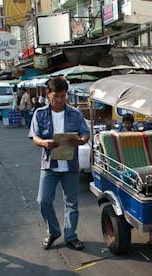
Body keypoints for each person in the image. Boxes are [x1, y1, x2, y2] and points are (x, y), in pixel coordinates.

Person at [29, 77, 90, 251]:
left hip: (70, 165)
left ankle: (71, 236)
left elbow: (85, 134)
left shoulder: (75, 113)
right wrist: (44, 143)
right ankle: (53, 231)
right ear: (48, 95)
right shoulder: (40, 114)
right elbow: (35, 137)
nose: (60, 100)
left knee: (72, 203)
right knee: (43, 201)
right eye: (56, 96)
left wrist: (80, 140)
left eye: (63, 96)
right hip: (49, 165)